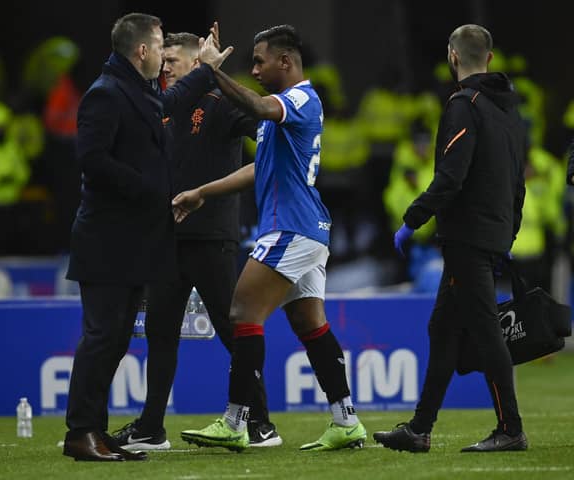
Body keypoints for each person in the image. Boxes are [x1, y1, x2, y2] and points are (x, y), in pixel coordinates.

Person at [173, 24, 367, 452]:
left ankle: (236, 422)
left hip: (291, 228)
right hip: (308, 230)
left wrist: (210, 73)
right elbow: (261, 168)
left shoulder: (296, 98)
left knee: (242, 311)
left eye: (260, 61)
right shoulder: (283, 111)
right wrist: (204, 191)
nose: (254, 68)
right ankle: (346, 420)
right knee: (309, 324)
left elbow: (259, 107)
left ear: (286, 61)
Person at [61, 13, 231, 462]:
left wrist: (209, 69)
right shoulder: (104, 94)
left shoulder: (135, 90)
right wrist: (153, 190)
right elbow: (92, 161)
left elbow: (172, 100)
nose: (162, 56)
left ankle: (93, 429)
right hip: (105, 241)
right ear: (142, 51)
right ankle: (81, 432)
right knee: (101, 337)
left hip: (130, 242)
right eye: (159, 47)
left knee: (115, 339)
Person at [111, 31, 281, 451]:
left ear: (195, 63)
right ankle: (152, 427)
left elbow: (270, 146)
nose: (165, 66)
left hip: (211, 238)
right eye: (163, 59)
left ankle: (260, 423)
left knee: (233, 330)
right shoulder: (162, 108)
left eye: (173, 60)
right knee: (160, 332)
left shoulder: (221, 106)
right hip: (165, 239)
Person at [373, 24, 528, 453]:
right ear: (490, 59)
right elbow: (520, 184)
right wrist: (507, 234)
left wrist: (411, 219)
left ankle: (511, 429)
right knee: (442, 328)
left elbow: (451, 177)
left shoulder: (465, 104)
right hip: (491, 233)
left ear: (453, 57)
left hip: (467, 237)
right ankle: (420, 429)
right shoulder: (510, 111)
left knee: (484, 331)